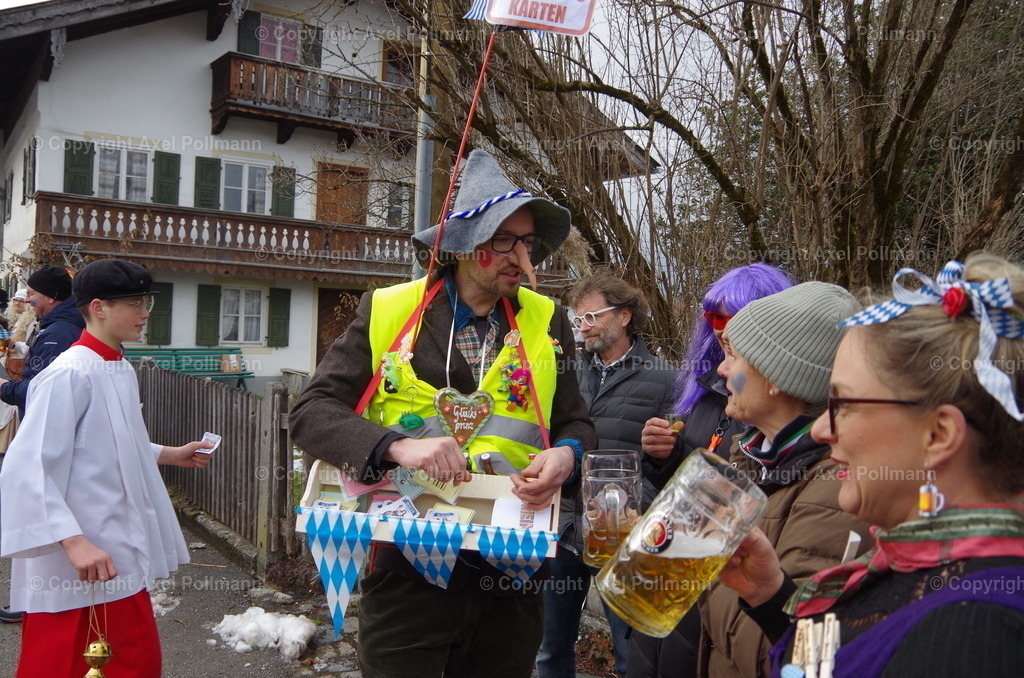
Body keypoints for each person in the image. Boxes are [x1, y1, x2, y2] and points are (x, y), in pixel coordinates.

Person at [290, 149, 597, 678]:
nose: (520, 255)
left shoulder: (548, 321)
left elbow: (574, 421)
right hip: (410, 570)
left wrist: (567, 456)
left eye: (526, 242)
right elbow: (310, 412)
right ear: (462, 245)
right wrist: (396, 446)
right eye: (504, 240)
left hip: (514, 570)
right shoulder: (391, 310)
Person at [718, 254, 1024, 677]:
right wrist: (770, 594)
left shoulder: (972, 633)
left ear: (937, 436)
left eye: (843, 403)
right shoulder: (906, 569)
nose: (823, 429)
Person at [0, 258, 214, 676]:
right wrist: (74, 541)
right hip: (81, 559)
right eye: (135, 302)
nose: (145, 312)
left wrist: (171, 454)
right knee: (69, 663)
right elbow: (28, 468)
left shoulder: (117, 365)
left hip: (116, 549)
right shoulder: (68, 375)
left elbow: (109, 441)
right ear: (98, 307)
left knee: (135, 663)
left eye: (145, 300)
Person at [696, 282, 872, 678]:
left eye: (733, 356)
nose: (721, 369)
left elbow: (783, 656)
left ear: (778, 378)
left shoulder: (837, 489)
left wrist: (691, 562)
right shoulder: (751, 457)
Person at [629, 263, 794, 678]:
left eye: (736, 317)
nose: (723, 329)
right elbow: (687, 484)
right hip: (672, 573)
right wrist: (663, 456)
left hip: (720, 586)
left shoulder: (774, 407)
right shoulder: (704, 391)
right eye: (716, 317)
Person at [537, 270, 677, 678]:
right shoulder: (564, 373)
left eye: (593, 316)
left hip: (623, 538)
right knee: (549, 647)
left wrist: (634, 508)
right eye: (579, 319)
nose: (584, 327)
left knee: (630, 654)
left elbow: (672, 459)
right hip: (562, 527)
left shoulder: (665, 379)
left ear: (625, 317)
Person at [0, 266, 85, 416]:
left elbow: (41, 390)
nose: (26, 300)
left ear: (51, 296)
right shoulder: (57, 327)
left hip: (44, 422)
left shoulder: (59, 333)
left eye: (30, 294)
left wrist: (3, 387)